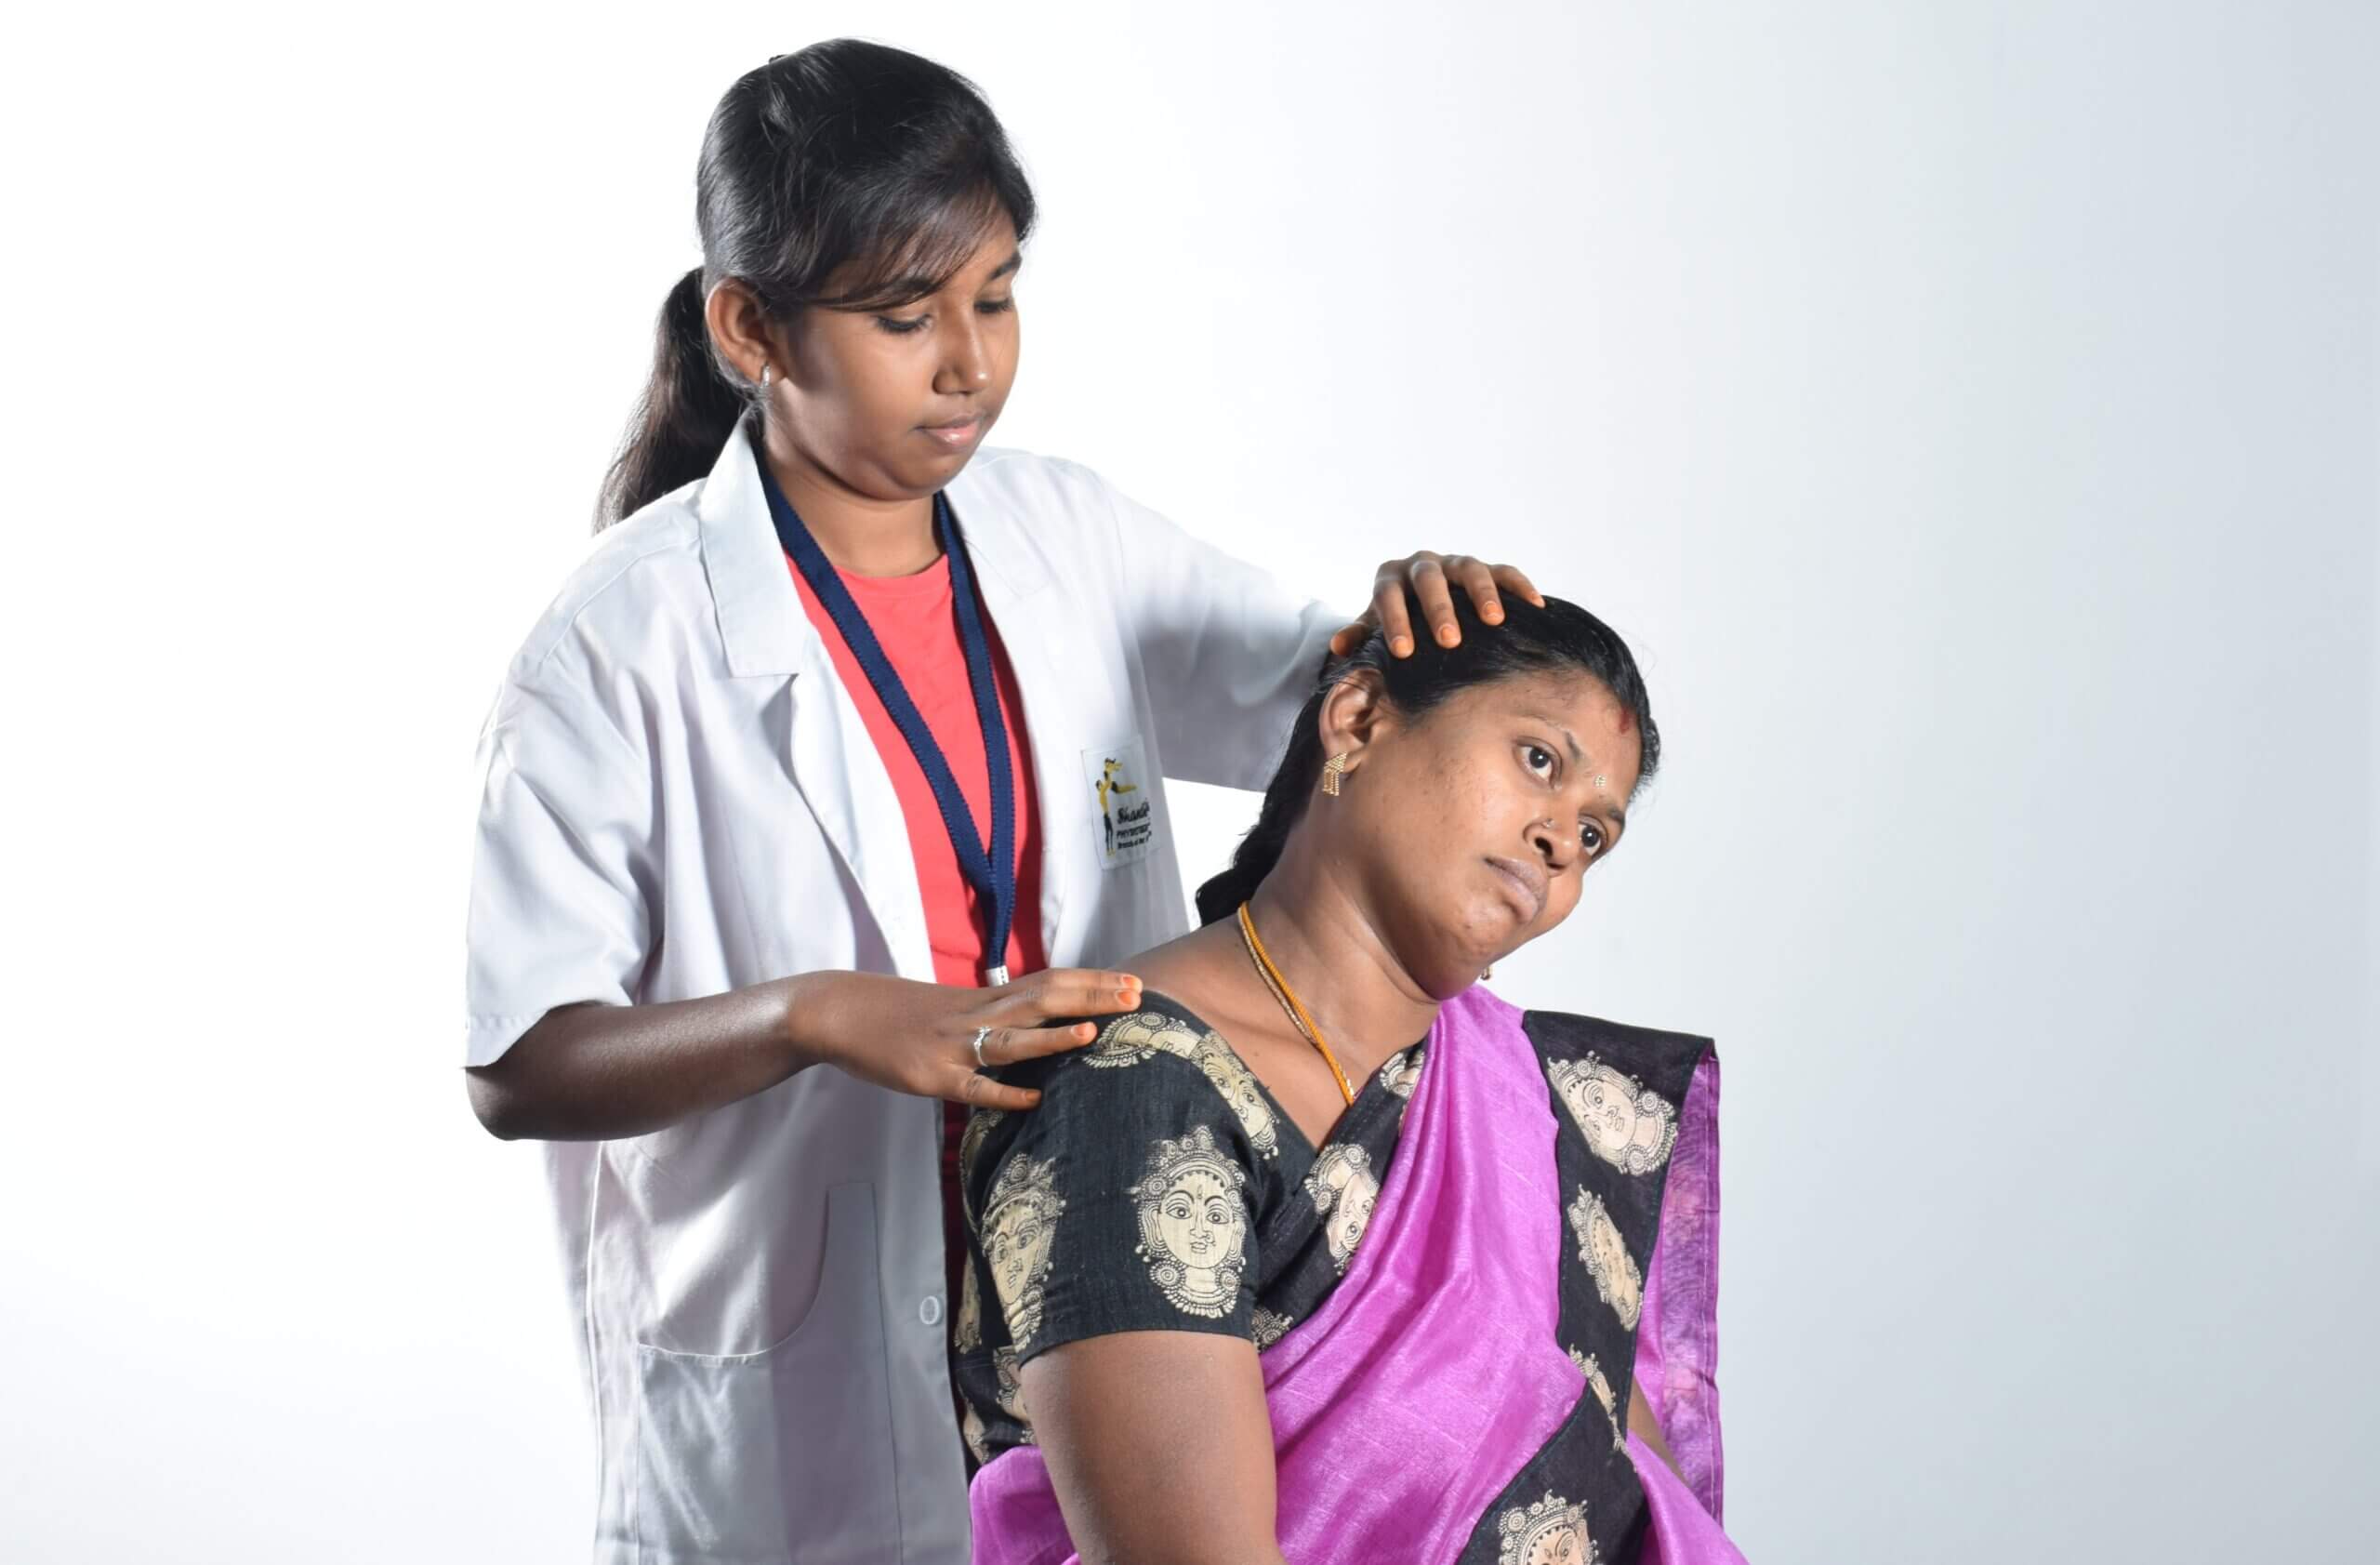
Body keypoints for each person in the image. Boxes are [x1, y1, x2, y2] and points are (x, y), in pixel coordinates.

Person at [460, 40, 1544, 1565]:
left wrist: (1414, 622)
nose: (969, 362)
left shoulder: (1066, 538)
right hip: (798, 1422)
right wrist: (826, 1014)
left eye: (997, 296)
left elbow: (1325, 695)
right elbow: (519, 1059)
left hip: (1108, 1329)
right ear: (751, 326)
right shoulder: (617, 644)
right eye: (907, 316)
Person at [959, 589, 1744, 1563]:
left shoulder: (1522, 1103)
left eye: (1594, 834)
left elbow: (1629, 1483)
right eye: (1538, 760)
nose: (1558, 842)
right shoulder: (1133, 1089)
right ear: (1359, 720)